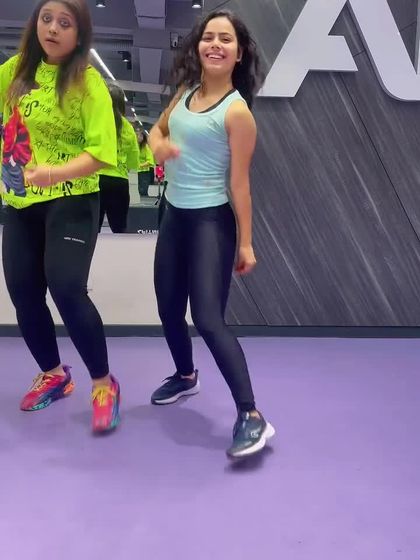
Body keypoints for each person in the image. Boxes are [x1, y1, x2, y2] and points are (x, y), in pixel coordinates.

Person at [149, 10, 275, 458]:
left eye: (226, 39)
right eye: (209, 37)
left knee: (207, 318)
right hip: (174, 215)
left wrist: (246, 242)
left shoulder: (237, 112)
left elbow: (240, 185)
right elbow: (157, 130)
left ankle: (251, 415)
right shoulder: (185, 93)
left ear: (239, 53)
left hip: (210, 221)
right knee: (168, 308)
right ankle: (186, 376)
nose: (215, 44)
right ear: (198, 46)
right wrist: (158, 146)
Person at [0, 0, 120, 432]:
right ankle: (53, 375)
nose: (52, 28)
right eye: (46, 19)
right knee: (23, 292)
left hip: (73, 199)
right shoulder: (14, 72)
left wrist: (51, 173)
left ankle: (103, 384)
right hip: (20, 203)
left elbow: (102, 152)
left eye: (64, 23)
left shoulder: (87, 82)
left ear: (78, 34)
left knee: (66, 288)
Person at [98, 83, 140, 233]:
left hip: (95, 181)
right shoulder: (128, 128)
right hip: (119, 182)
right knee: (120, 228)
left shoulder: (95, 122)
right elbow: (133, 161)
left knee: (92, 229)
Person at [137, 129, 155, 199]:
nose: (138, 137)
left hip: (144, 172)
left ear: (143, 137)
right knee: (139, 190)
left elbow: (150, 161)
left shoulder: (146, 148)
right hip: (137, 172)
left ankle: (144, 203)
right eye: (137, 136)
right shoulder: (136, 147)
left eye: (140, 136)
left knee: (143, 191)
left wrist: (140, 165)